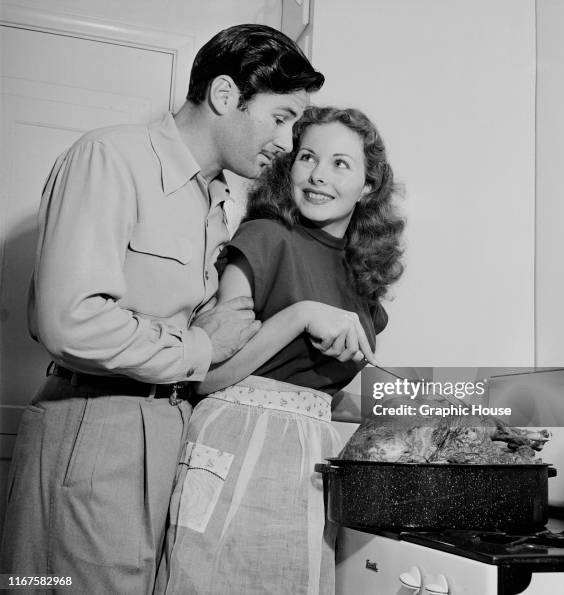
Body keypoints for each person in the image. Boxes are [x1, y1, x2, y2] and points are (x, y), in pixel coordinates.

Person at [0, 24, 329, 595]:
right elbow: (68, 319)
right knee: (55, 586)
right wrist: (203, 346)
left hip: (166, 427)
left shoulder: (216, 201)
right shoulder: (110, 156)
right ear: (226, 96)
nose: (286, 139)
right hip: (94, 422)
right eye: (281, 117)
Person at [155, 106, 405, 595]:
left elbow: (312, 392)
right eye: (307, 156)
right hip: (236, 441)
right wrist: (299, 314)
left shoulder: (362, 280)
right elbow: (206, 375)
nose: (317, 175)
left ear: (369, 186)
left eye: (340, 164)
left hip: (309, 462)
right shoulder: (265, 237)